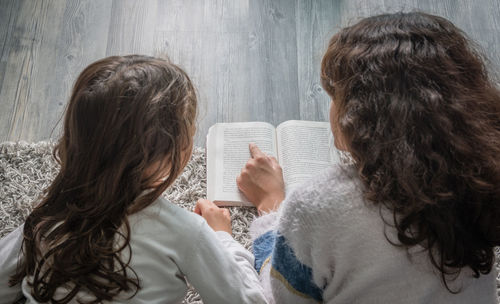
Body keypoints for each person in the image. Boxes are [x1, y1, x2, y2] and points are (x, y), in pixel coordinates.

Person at [236, 12, 500, 303]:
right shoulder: (482, 178)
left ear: (358, 116)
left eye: (334, 96)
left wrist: (270, 207)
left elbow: (282, 299)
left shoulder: (318, 205)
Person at [0, 55, 266, 304]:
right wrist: (222, 237)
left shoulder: (47, 216)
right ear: (160, 156)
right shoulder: (185, 232)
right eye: (189, 128)